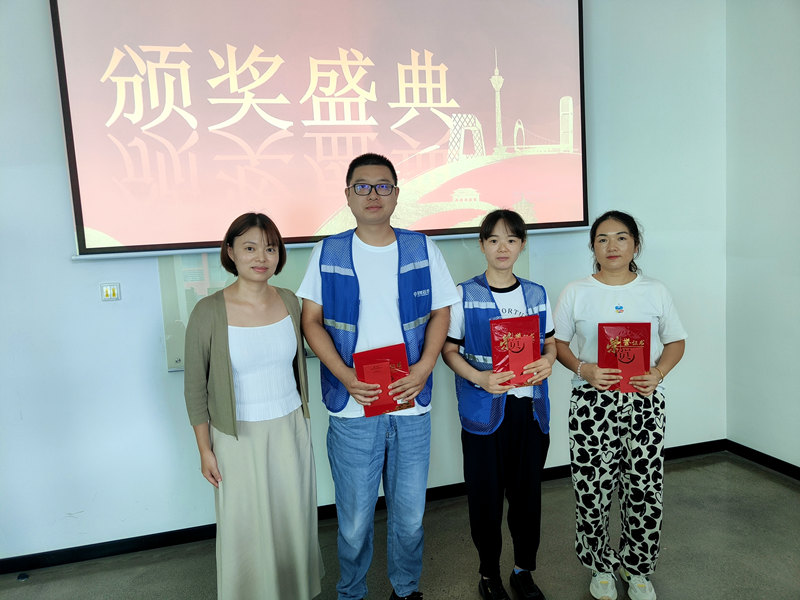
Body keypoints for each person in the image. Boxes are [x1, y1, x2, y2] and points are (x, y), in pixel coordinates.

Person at [297, 153, 459, 600]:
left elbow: (441, 312)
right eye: (362, 186)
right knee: (353, 520)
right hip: (353, 406)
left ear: (396, 194)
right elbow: (311, 320)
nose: (373, 194)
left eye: (383, 186)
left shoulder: (421, 248)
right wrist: (345, 375)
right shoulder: (328, 251)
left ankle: (405, 589)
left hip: (411, 403)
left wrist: (425, 367)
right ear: (348, 195)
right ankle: (352, 592)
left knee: (410, 517)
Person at [184, 212, 323, 599]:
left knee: (292, 520)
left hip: (291, 429)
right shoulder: (208, 311)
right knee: (246, 528)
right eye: (249, 248)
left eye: (270, 248)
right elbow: (194, 388)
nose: (261, 257)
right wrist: (205, 450)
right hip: (236, 438)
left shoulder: (290, 301)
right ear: (230, 252)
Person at [553, 210, 687, 600]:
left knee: (644, 488)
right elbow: (557, 343)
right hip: (591, 405)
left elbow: (676, 341)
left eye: (621, 237)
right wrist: (584, 369)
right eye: (603, 239)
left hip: (644, 403)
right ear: (593, 246)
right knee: (591, 488)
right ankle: (600, 567)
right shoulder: (576, 291)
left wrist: (658, 372)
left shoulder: (655, 290)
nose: (612, 246)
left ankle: (638, 568)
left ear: (635, 245)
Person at [441, 210, 555, 600]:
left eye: (511, 240)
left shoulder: (536, 294)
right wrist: (480, 378)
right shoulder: (464, 294)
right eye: (493, 240)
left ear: (522, 245)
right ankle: (489, 574)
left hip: (529, 412)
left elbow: (549, 343)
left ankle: (523, 571)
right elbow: (449, 350)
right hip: (484, 414)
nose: (502, 248)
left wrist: (548, 360)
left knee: (527, 498)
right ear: (482, 245)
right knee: (485, 499)